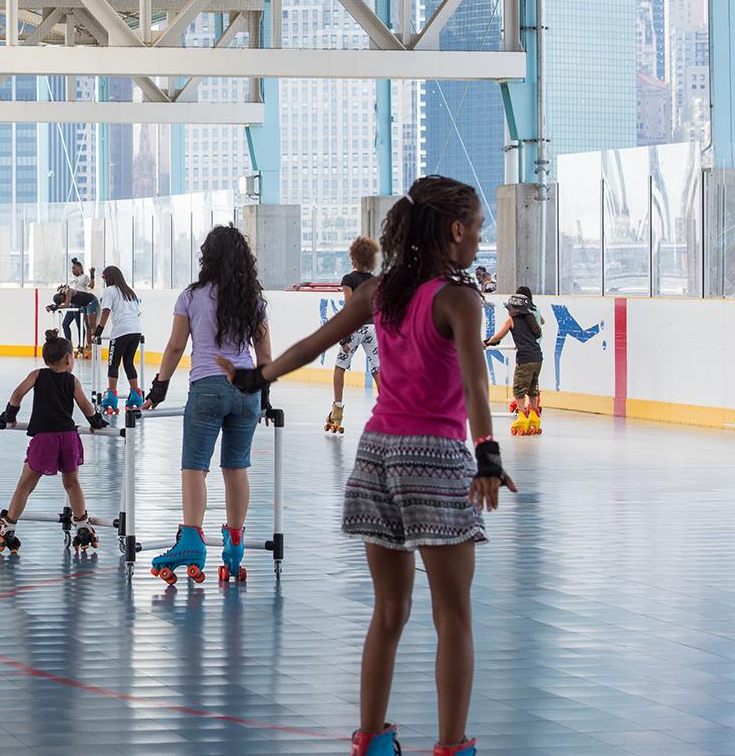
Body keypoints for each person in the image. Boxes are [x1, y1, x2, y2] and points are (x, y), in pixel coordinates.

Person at [218, 175, 516, 756]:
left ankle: (372, 739)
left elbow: (312, 345)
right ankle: (453, 746)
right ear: (454, 230)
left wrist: (260, 376)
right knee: (453, 614)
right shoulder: (459, 299)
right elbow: (478, 383)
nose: (481, 239)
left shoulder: (379, 293)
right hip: (433, 459)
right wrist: (487, 451)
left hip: (376, 456)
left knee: (389, 610)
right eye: (479, 227)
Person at [143, 225, 271, 585]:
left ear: (207, 257)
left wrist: (159, 387)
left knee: (194, 466)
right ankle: (234, 545)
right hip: (247, 390)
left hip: (208, 386)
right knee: (236, 468)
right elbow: (265, 354)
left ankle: (192, 542)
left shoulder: (192, 296)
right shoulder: (253, 300)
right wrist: (266, 396)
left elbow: (174, 347)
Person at [0, 331, 107, 555]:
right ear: (68, 359)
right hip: (68, 438)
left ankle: (8, 527)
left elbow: (17, 394)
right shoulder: (73, 381)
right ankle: (82, 525)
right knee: (72, 483)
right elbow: (86, 407)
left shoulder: (37, 375)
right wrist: (96, 422)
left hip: (44, 439)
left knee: (26, 484)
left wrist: (10, 415)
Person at [326, 236, 382, 436]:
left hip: (355, 328)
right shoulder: (376, 281)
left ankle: (337, 410)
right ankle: (387, 407)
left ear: (354, 260)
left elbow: (350, 307)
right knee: (377, 369)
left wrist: (344, 337)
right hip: (372, 328)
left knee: (340, 367)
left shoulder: (349, 279)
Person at [487, 286, 545, 436]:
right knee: (532, 389)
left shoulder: (511, 320)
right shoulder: (530, 318)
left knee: (518, 390)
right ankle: (534, 417)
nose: (509, 310)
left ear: (515, 309)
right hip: (538, 357)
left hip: (525, 359)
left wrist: (487, 342)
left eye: (510, 308)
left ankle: (522, 418)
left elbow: (498, 336)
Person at [91, 265, 143, 415]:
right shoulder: (130, 292)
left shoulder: (110, 290)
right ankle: (136, 396)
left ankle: (111, 397)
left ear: (109, 278)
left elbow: (106, 310)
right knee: (128, 363)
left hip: (121, 331)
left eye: (104, 278)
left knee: (113, 363)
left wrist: (98, 331)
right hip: (136, 331)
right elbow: (137, 313)